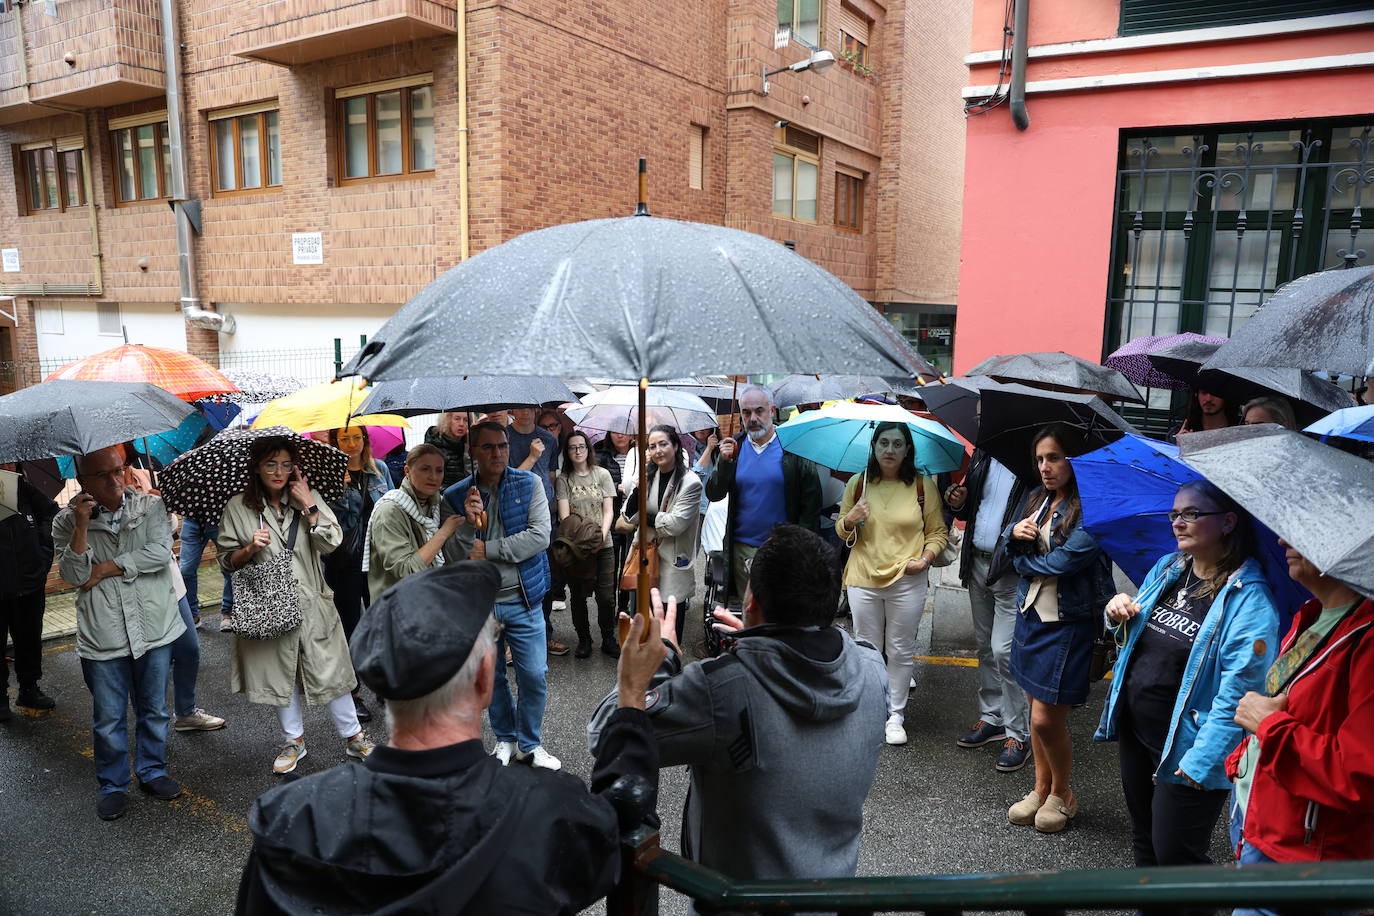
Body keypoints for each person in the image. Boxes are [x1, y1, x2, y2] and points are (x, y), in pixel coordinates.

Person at [235, 561, 665, 916]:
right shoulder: (549, 812)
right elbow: (624, 807)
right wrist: (630, 697)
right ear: (484, 678)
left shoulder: (292, 820)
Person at [588, 524, 886, 892]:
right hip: (832, 897)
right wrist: (763, 638)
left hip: (736, 902)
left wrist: (659, 664)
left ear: (751, 602)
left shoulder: (721, 689)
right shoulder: (874, 670)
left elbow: (607, 732)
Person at [1094, 481, 1278, 890]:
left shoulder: (1249, 601)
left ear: (1228, 522)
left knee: (1177, 853)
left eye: (1192, 514)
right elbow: (1134, 640)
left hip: (1188, 749)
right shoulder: (1168, 569)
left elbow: (1241, 692)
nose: (1178, 522)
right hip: (1138, 729)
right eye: (1175, 514)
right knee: (1145, 842)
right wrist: (1115, 613)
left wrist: (1202, 762)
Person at [1226, 541, 1374, 913]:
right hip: (1259, 817)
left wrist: (1270, 727)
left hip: (1306, 852)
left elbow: (1361, 774)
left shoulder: (1368, 639)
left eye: (1309, 533)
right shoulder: (1311, 613)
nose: (1282, 540)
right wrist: (1243, 759)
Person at [218, 437, 374, 775]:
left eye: (286, 464)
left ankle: (355, 737)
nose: (279, 471)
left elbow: (331, 543)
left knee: (330, 669)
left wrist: (309, 505)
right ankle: (294, 742)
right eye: (271, 464)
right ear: (256, 467)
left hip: (312, 601)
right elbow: (226, 562)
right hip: (268, 604)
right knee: (281, 675)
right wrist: (248, 548)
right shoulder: (238, 507)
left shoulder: (307, 496)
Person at [52, 446, 186, 820]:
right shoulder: (65, 521)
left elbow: (160, 552)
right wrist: (81, 526)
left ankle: (152, 770)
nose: (114, 480)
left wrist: (108, 566)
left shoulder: (151, 507)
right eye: (102, 474)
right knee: (108, 717)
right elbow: (74, 576)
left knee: (154, 708)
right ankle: (113, 784)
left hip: (154, 624)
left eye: (119, 469)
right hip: (104, 633)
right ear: (83, 480)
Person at [1004, 424, 1114, 833]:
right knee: (1035, 711)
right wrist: (1014, 534)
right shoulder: (1038, 499)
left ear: (1073, 460)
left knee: (1047, 719)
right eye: (1040, 459)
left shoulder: (1092, 509)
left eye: (1054, 458)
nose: (1045, 467)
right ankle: (1040, 788)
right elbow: (1007, 542)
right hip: (1031, 615)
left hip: (1068, 623)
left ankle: (1063, 793)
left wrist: (1020, 560)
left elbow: (1064, 563)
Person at [444, 421, 559, 769]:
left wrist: (489, 548)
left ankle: (530, 743)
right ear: (473, 452)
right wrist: (467, 521)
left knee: (534, 675)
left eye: (503, 446)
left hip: (524, 598)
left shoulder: (529, 482)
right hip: (482, 604)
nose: (497, 453)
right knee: (491, 679)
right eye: (488, 447)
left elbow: (540, 536)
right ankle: (506, 739)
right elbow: (453, 557)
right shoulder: (456, 494)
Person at [835, 421, 948, 746]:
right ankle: (871, 710)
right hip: (863, 578)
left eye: (897, 444)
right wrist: (850, 519)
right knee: (868, 648)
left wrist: (925, 560)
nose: (889, 450)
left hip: (907, 579)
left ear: (907, 449)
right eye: (883, 443)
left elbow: (937, 532)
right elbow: (842, 532)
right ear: (873, 447)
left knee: (900, 649)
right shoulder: (859, 483)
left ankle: (895, 714)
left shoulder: (922, 487)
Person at [945, 447, 1032, 771]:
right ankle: (992, 717)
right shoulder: (984, 455)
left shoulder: (1029, 465)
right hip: (977, 563)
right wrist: (958, 500)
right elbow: (973, 508)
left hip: (1009, 569)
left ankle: (1018, 733)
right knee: (984, 647)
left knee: (1004, 652)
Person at [705, 385, 822, 606]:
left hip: (783, 550)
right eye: (746, 412)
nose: (753, 418)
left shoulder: (793, 448)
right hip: (742, 550)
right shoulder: (734, 448)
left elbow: (811, 504)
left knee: (782, 613)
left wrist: (800, 549)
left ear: (772, 410)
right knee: (750, 613)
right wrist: (723, 463)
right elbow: (714, 493)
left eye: (759, 410)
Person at [325, 425, 393, 723]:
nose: (351, 444)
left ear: (365, 440)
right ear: (335, 442)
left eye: (356, 437)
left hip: (378, 558)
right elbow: (332, 523)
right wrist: (341, 491)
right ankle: (352, 692)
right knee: (350, 627)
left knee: (382, 622)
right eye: (344, 438)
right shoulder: (330, 476)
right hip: (346, 561)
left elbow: (392, 507)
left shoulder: (379, 469)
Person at [616, 424, 702, 647]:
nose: (658, 451)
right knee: (644, 624)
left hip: (672, 561)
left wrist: (648, 518)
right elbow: (628, 516)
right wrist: (637, 488)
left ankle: (669, 674)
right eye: (652, 446)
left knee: (669, 631)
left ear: (675, 446)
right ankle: (645, 674)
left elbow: (675, 525)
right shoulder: (649, 476)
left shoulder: (690, 483)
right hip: (646, 559)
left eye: (663, 444)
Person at [0, 463, 59, 720]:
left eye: (11, 461)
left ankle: (29, 689)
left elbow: (52, 513)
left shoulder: (23, 487)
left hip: (30, 581)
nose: (6, 465)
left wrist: (42, 549)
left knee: (29, 639)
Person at [364, 443, 463, 596]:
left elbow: (458, 557)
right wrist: (443, 533)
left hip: (431, 601)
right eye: (425, 469)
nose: (433, 477)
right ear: (407, 471)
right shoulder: (389, 512)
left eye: (439, 470)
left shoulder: (439, 505)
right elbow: (406, 570)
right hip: (397, 608)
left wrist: (469, 520)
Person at [507, 407, 566, 656]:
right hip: (516, 516)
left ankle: (544, 634)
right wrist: (531, 457)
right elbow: (506, 481)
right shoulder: (504, 438)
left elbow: (551, 477)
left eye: (528, 407)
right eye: (518, 408)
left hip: (545, 517)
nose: (525, 412)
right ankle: (513, 641)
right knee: (517, 579)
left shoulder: (549, 439)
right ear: (511, 410)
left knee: (545, 579)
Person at [555, 430, 618, 658]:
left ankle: (608, 637)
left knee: (606, 596)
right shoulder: (564, 480)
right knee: (578, 596)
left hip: (604, 544)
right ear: (567, 452)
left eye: (581, 446)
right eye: (572, 447)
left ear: (588, 449)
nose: (578, 451)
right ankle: (584, 639)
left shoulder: (602, 474)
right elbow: (565, 517)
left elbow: (608, 510)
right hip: (576, 548)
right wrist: (585, 541)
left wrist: (600, 536)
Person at [178, 423, 234, 632]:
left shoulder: (219, 438)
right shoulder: (185, 445)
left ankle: (228, 610)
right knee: (186, 569)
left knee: (228, 566)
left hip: (218, 518)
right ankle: (192, 614)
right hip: (193, 519)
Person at [596, 430, 635, 615]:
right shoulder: (602, 455)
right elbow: (598, 482)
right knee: (611, 565)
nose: (620, 436)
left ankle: (623, 606)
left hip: (631, 516)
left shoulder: (637, 454)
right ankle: (609, 607)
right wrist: (618, 488)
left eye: (624, 431)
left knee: (628, 563)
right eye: (615, 432)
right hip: (610, 516)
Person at [424, 410, 473, 490]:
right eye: (457, 419)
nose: (461, 424)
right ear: (448, 419)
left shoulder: (467, 442)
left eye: (466, 420)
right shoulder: (436, 441)